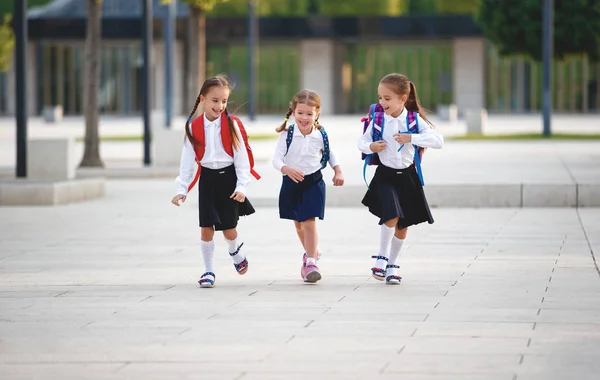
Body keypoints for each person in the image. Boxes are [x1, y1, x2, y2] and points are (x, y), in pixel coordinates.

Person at [357, 73, 444, 285]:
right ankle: (382, 256)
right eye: (380, 97)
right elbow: (362, 141)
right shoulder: (378, 119)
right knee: (392, 213)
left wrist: (411, 137)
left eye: (387, 98)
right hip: (385, 175)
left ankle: (392, 265)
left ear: (403, 99)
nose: (382, 103)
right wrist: (371, 147)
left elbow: (438, 141)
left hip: (407, 176)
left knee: (403, 223)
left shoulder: (414, 120)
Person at [171, 75, 255, 288]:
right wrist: (182, 188)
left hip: (229, 180)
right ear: (203, 99)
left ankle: (235, 251)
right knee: (206, 227)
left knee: (229, 229)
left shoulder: (232, 125)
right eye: (215, 100)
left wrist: (241, 186)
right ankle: (208, 271)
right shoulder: (193, 127)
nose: (220, 106)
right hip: (207, 180)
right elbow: (187, 161)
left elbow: (242, 158)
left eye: (224, 101)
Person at [273, 90, 344, 283]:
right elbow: (276, 160)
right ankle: (311, 253)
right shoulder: (287, 134)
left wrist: (337, 171)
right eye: (300, 113)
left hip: (314, 182)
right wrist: (286, 169)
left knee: (309, 221)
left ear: (317, 114)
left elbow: (330, 154)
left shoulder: (320, 134)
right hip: (291, 183)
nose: (304, 118)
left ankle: (311, 262)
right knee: (298, 225)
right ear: (293, 112)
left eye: (309, 114)